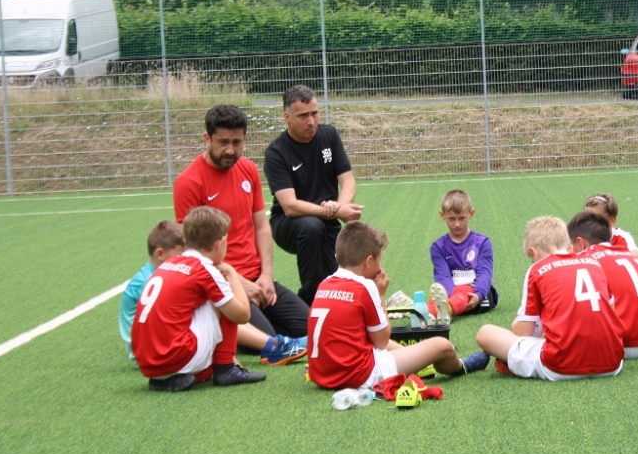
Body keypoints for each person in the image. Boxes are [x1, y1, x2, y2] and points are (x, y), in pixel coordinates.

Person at [173, 104, 309, 365]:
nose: (230, 150)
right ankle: (220, 325)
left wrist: (266, 275)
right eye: (223, 142)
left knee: (311, 327)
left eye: (237, 142)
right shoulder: (189, 183)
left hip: (259, 280)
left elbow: (261, 226)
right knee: (269, 341)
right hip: (224, 286)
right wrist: (239, 283)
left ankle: (238, 326)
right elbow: (192, 253)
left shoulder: (248, 170)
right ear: (207, 138)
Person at [306, 221, 490, 390]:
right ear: (369, 261)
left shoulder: (325, 283)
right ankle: (461, 366)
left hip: (321, 374)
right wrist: (381, 294)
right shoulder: (365, 286)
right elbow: (381, 341)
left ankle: (419, 364)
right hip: (358, 375)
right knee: (442, 345)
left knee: (384, 343)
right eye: (379, 260)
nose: (380, 267)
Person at [132, 206, 267, 391]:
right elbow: (242, 315)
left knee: (204, 297)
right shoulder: (205, 270)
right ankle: (227, 368)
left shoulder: (170, 262)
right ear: (220, 243)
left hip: (146, 362)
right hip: (174, 356)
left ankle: (177, 377)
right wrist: (231, 273)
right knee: (222, 296)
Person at [475, 216, 625, 381]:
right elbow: (612, 313)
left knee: (485, 333)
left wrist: (517, 325)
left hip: (561, 365)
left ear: (534, 252)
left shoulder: (537, 269)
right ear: (569, 246)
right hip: (612, 362)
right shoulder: (594, 263)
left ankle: (514, 362)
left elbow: (524, 331)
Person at [265, 85, 363, 305]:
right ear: (287, 117)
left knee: (340, 281)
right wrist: (335, 212)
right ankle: (310, 301)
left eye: (314, 113)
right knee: (312, 227)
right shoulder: (276, 152)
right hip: (288, 224)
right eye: (303, 116)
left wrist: (339, 207)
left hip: (327, 219)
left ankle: (337, 305)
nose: (311, 121)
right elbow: (289, 206)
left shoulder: (329, 135)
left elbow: (348, 181)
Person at [566, 211, 638, 359]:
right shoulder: (626, 255)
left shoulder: (585, 260)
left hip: (621, 343)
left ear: (581, 243)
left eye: (572, 246)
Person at [119, 220, 185, 362]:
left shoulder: (154, 274)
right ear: (160, 254)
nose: (185, 261)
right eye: (180, 256)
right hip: (148, 352)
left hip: (151, 347)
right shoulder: (148, 282)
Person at [428, 189, 498, 317]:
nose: (457, 224)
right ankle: (422, 312)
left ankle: (443, 312)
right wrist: (448, 295)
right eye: (451, 219)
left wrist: (479, 294)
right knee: (435, 298)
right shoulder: (437, 247)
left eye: (462, 218)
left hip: (477, 292)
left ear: (471, 214)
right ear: (442, 215)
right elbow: (443, 276)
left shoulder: (482, 243)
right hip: (451, 292)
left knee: (462, 293)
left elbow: (485, 272)